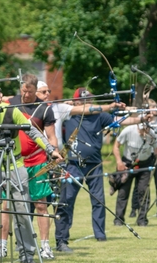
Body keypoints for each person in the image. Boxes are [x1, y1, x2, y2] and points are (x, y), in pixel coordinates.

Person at [0, 86, 62, 263]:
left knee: (21, 207)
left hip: (14, 163)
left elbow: (32, 131)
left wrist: (50, 150)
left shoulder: (10, 110)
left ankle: (26, 251)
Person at [54, 88, 147, 250]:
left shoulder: (99, 115)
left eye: (88, 100)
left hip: (94, 165)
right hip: (73, 164)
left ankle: (100, 234)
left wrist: (141, 119)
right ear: (75, 102)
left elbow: (120, 120)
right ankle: (62, 238)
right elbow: (54, 109)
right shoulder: (69, 114)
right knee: (66, 201)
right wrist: (67, 103)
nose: (86, 103)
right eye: (81, 101)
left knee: (98, 200)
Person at [0, 74, 58, 260]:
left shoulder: (44, 109)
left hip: (37, 161)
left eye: (30, 92)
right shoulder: (11, 102)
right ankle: (2, 246)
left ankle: (45, 246)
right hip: (14, 161)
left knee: (41, 205)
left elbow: (51, 136)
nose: (25, 95)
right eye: (23, 91)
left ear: (35, 90)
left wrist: (54, 152)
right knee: (7, 205)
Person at [112, 121, 157, 227]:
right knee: (123, 192)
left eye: (146, 129)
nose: (144, 132)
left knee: (144, 191)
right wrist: (119, 162)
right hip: (128, 163)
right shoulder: (128, 130)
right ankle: (119, 219)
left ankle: (142, 219)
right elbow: (116, 146)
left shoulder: (152, 134)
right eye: (142, 129)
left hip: (145, 164)